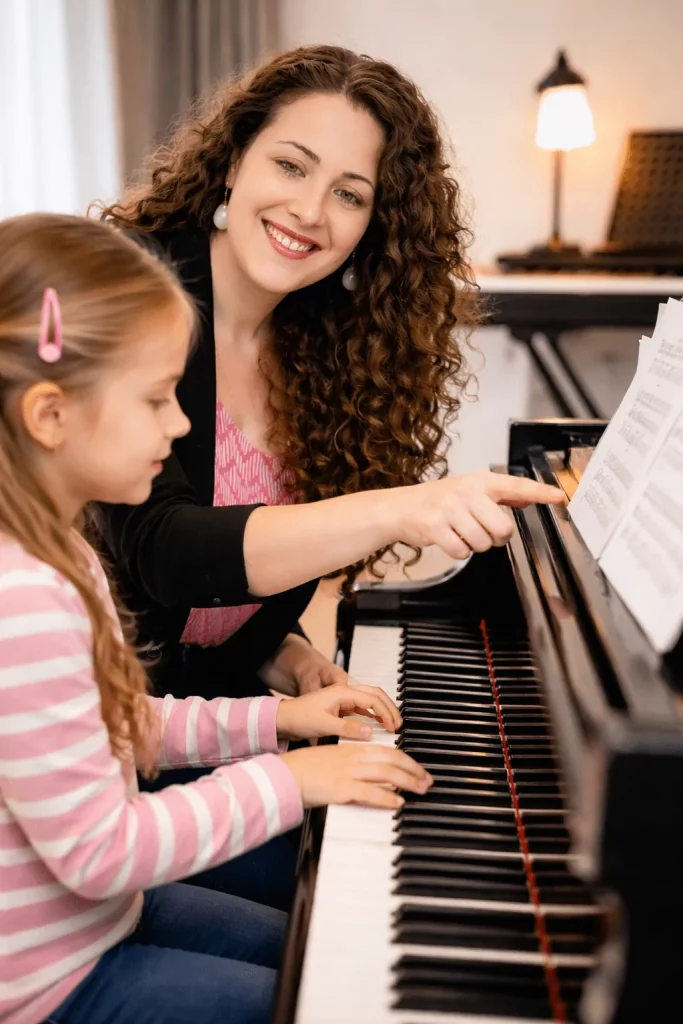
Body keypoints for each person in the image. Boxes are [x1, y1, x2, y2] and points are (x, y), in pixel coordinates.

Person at [97, 44, 563, 909]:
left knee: (389, 852)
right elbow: (162, 553)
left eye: (350, 194)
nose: (310, 210)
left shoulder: (324, 351)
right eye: (290, 164)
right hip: (90, 768)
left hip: (198, 731)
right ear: (233, 158)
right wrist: (400, 510)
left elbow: (211, 615)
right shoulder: (135, 293)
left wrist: (287, 655)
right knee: (348, 897)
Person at [0, 212, 431, 1024]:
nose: (182, 423)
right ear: (51, 416)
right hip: (51, 986)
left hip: (105, 921)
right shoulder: (19, 600)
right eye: (157, 398)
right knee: (331, 1002)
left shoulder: (61, 547)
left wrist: (279, 719)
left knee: (316, 950)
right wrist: (290, 779)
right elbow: (101, 851)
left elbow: (125, 725)